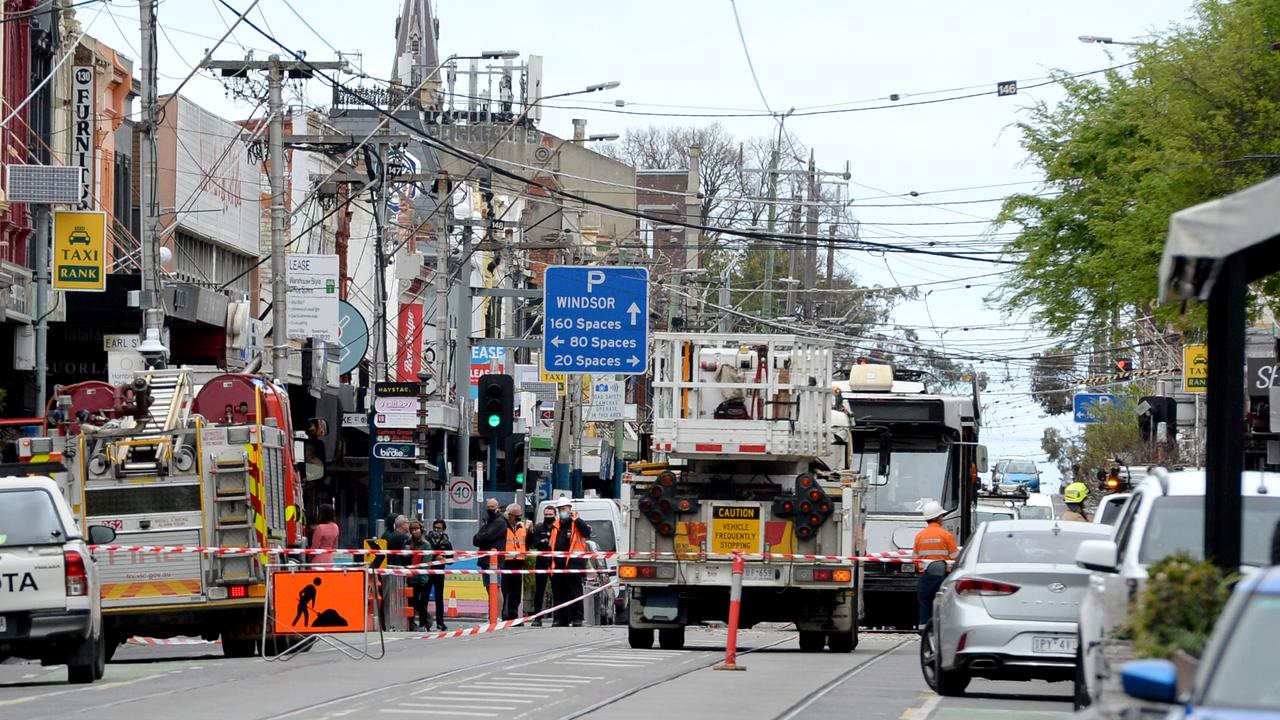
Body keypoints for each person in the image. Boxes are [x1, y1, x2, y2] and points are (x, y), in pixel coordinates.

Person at [914, 501, 958, 631]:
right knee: (943, 602)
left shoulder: (920, 536)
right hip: (943, 575)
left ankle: (924, 628)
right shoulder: (946, 535)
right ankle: (942, 628)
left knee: (925, 602)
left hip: (926, 575)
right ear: (939, 518)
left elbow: (915, 559)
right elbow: (955, 558)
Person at [549, 497, 592, 627]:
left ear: (569, 509)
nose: (562, 512)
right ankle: (560, 618)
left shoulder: (577, 524)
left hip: (573, 564)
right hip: (557, 564)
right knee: (558, 593)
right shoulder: (556, 525)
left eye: (564, 509)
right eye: (560, 509)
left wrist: (576, 519)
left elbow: (586, 532)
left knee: (574, 593)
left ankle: (577, 618)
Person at [528, 505, 556, 626]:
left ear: (555, 515)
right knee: (539, 591)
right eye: (546, 514)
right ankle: (537, 618)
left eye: (550, 514)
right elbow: (535, 543)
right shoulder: (539, 527)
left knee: (557, 591)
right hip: (542, 562)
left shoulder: (558, 527)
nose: (548, 517)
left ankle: (558, 618)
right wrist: (544, 542)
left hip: (556, 562)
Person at [500, 504, 527, 621]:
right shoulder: (502, 526)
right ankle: (504, 615)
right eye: (517, 516)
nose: (519, 518)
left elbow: (526, 542)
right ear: (509, 515)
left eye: (520, 516)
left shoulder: (522, 527)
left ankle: (513, 615)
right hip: (506, 561)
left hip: (519, 562)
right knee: (505, 590)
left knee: (516, 591)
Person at [473, 498, 506, 590]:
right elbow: (476, 540)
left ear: (497, 507)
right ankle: (492, 605)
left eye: (492, 506)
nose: (490, 509)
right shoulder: (487, 521)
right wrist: (481, 536)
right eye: (488, 507)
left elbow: (486, 536)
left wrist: (481, 536)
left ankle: (497, 605)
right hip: (485, 559)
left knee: (496, 587)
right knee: (488, 587)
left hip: (495, 561)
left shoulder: (500, 522)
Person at [425, 519, 452, 631]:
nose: (436, 530)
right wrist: (433, 558)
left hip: (439, 573)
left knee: (439, 599)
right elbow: (424, 555)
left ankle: (440, 623)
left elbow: (451, 560)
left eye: (439, 528)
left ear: (444, 529)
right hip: (427, 572)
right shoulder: (426, 540)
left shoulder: (446, 542)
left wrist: (444, 558)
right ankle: (424, 622)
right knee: (424, 597)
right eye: (435, 527)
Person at [405, 521, 432, 630]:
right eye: (412, 529)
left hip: (421, 577)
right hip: (411, 577)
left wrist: (423, 577)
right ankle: (414, 622)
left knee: (420, 602)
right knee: (412, 601)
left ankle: (425, 621)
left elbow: (427, 562)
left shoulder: (426, 545)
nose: (415, 531)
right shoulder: (408, 543)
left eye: (417, 529)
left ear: (421, 530)